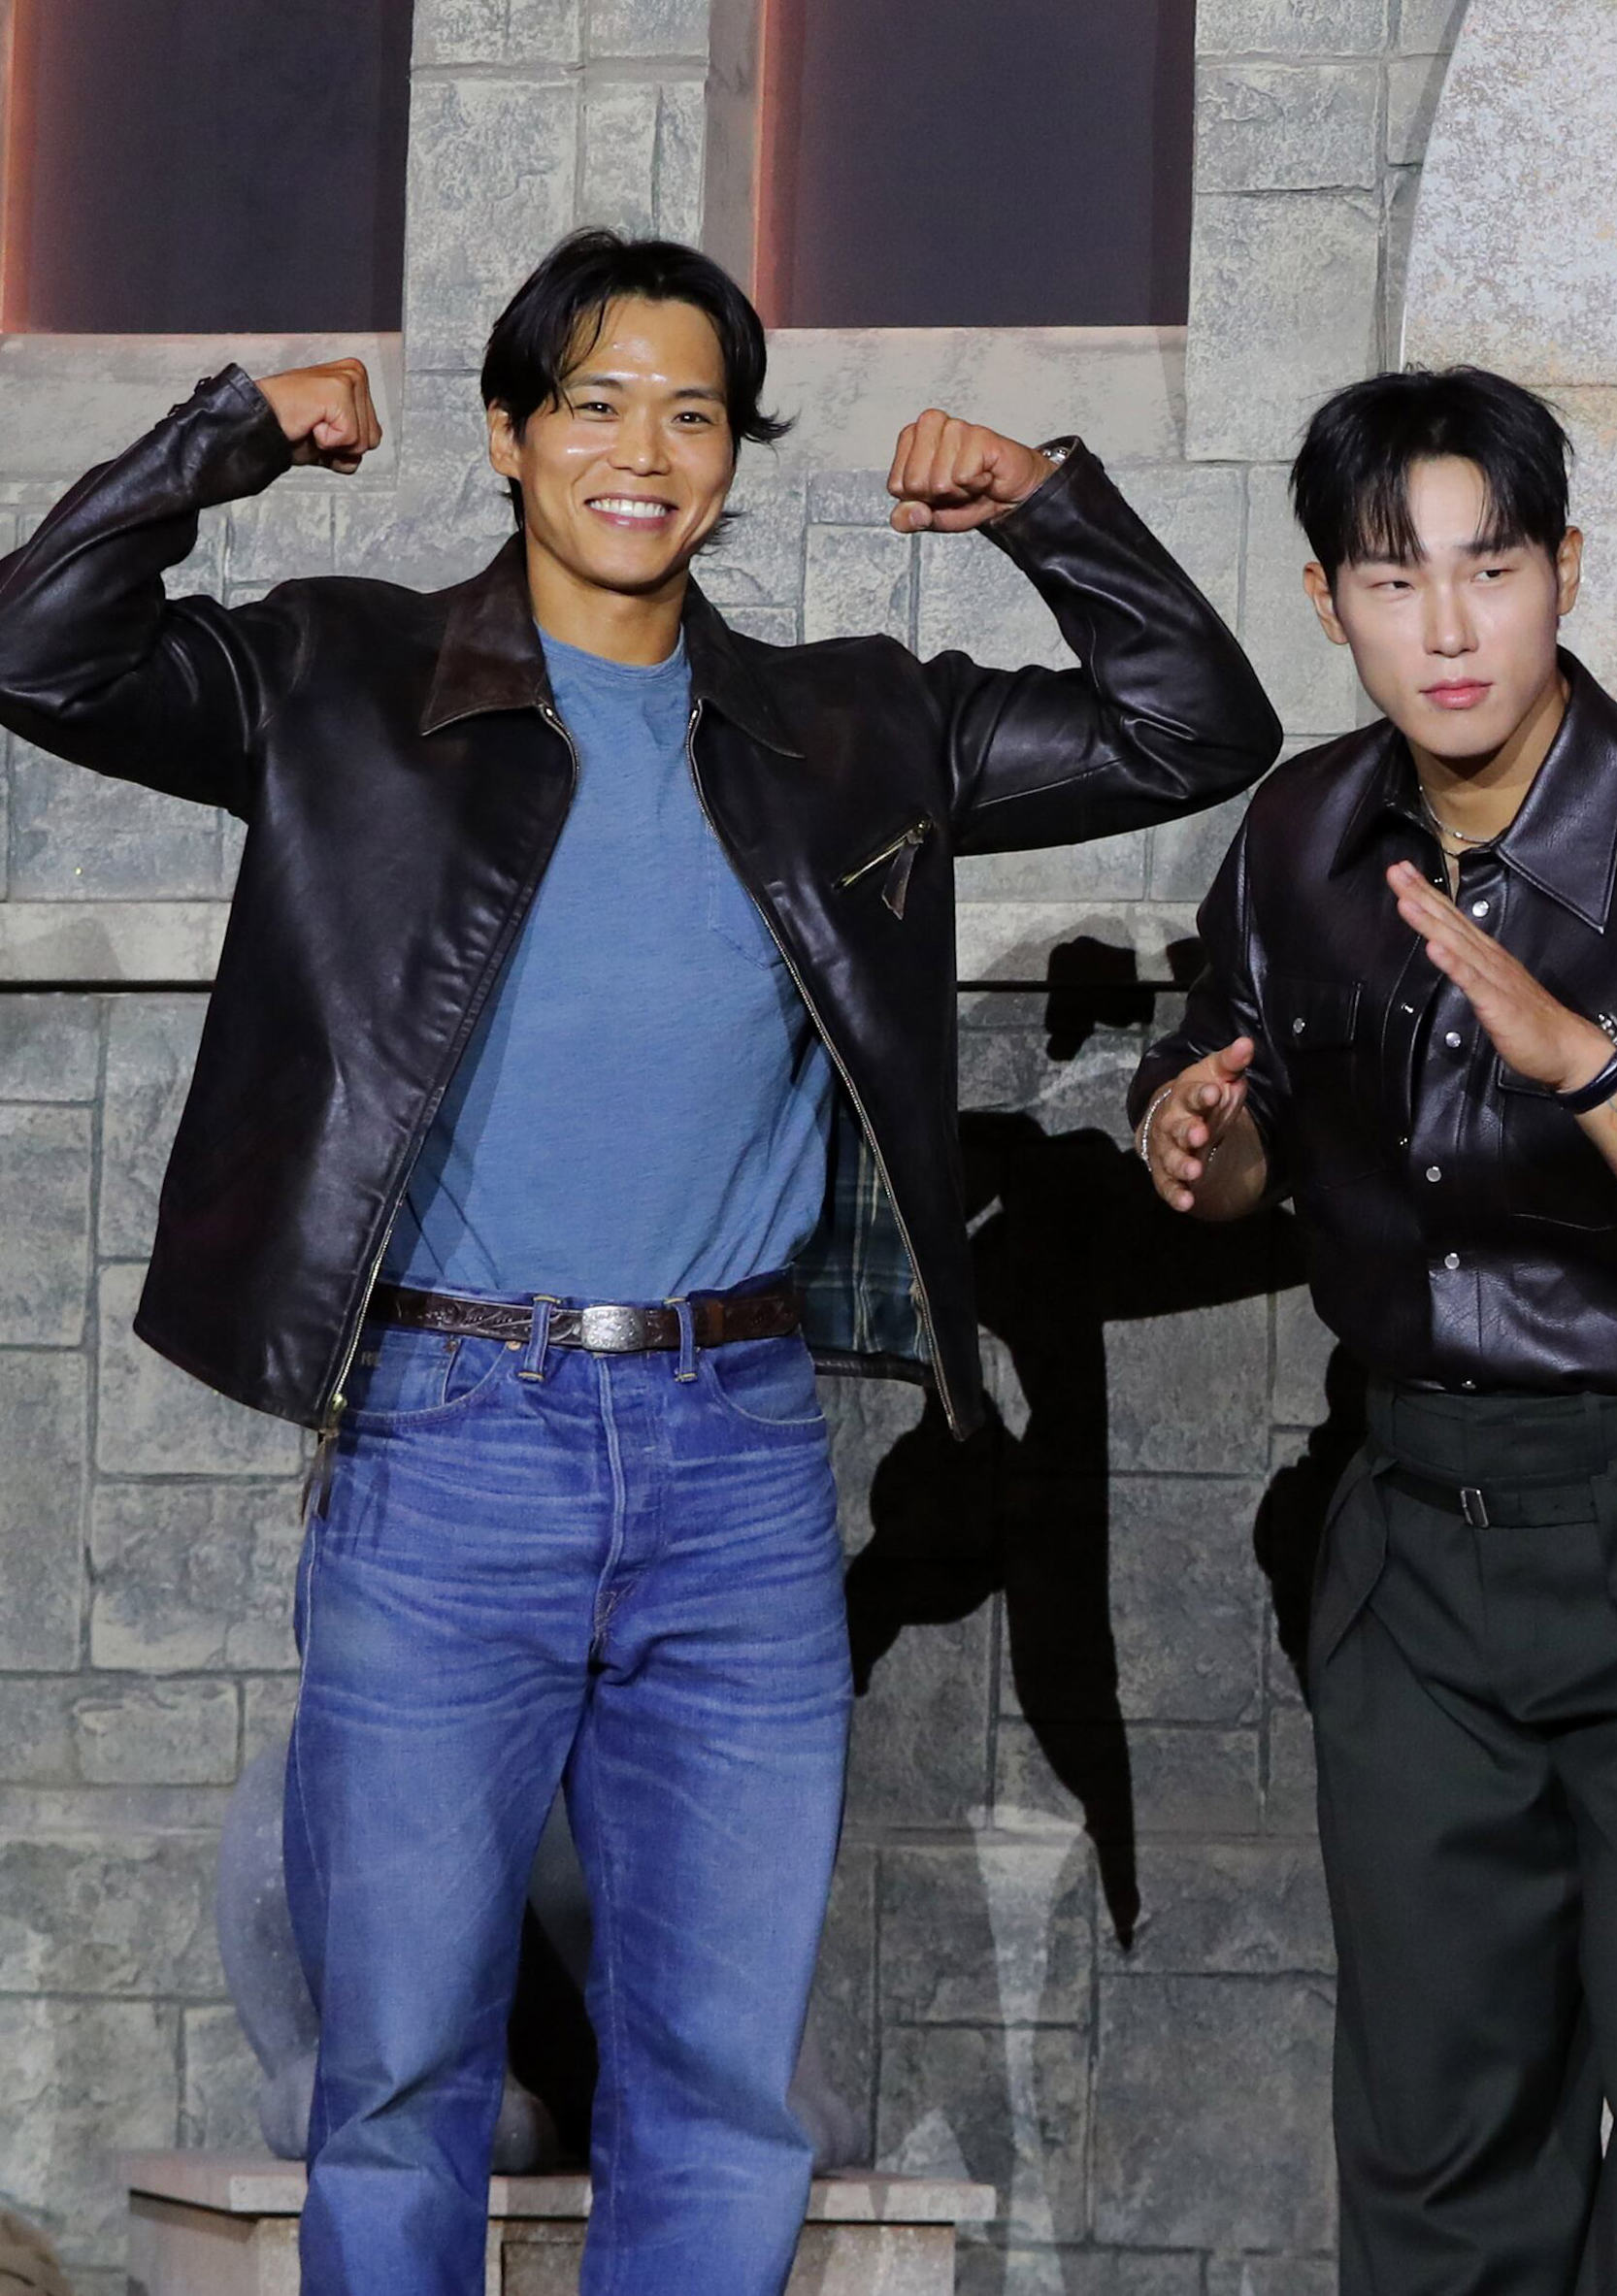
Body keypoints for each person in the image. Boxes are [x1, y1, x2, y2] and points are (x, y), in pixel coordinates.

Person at [0, 231, 1279, 2295]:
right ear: (510, 436)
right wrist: (224, 434)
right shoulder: (339, 679)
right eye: (594, 402)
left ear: (733, 457)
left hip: (735, 1460)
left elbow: (1192, 728)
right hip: (447, 1441)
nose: (644, 449)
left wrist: (1047, 507)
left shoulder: (850, 726)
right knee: (396, 2080)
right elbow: (38, 646)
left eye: (692, 412)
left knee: (718, 2092)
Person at [1133, 366, 1617, 2296]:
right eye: (1395, 581)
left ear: (1565, 569)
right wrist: (1197, 1142)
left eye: (1490, 569)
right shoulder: (1301, 834)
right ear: (1332, 600)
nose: (1449, 628)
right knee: (1438, 2138)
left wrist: (1593, 1069)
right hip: (1414, 1526)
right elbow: (1233, 1116)